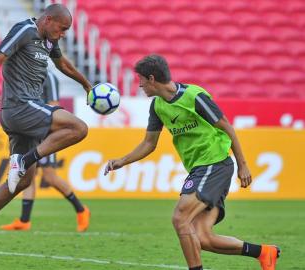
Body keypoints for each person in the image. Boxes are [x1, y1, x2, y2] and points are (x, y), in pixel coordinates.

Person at [104, 54, 280, 270]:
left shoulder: (194, 96)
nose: (139, 84)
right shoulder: (158, 106)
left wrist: (243, 164)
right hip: (200, 169)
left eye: (140, 79)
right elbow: (149, 143)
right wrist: (122, 161)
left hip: (215, 164)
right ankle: (264, 253)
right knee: (203, 237)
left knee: (180, 218)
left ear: (151, 79)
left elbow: (227, 127)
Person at [0, 4, 92, 262]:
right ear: (49, 20)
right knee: (78, 128)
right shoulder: (25, 29)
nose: (63, 33)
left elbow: (62, 63)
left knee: (23, 181)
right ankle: (24, 160)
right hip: (20, 107)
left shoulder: (48, 41)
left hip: (24, 115)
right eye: (62, 28)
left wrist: (86, 84)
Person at [0, 71, 90, 232]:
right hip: (30, 130)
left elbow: (54, 105)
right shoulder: (26, 76)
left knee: (50, 176)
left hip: (45, 132)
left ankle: (81, 210)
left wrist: (44, 128)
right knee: (28, 175)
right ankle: (24, 220)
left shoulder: (50, 77)